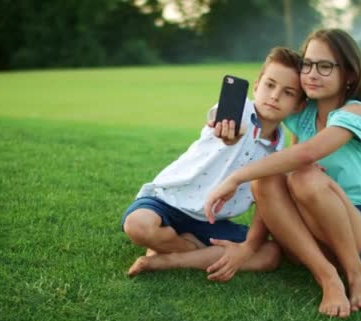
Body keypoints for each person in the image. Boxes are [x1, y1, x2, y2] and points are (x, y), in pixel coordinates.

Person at [204, 28, 361, 318]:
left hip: (355, 233)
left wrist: (235, 177)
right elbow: (257, 108)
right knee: (273, 175)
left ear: (350, 75)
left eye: (325, 66)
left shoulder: (357, 112)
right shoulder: (303, 114)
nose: (312, 73)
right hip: (304, 242)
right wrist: (221, 121)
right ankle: (327, 275)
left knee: (304, 174)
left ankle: (356, 273)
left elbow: (305, 154)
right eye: (307, 64)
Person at [121, 47, 306, 281]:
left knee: (270, 254)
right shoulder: (240, 111)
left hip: (210, 222)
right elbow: (221, 118)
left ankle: (167, 258)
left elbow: (266, 205)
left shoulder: (279, 154)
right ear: (257, 86)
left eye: (288, 92)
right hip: (168, 200)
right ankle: (195, 253)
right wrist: (230, 132)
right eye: (270, 85)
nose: (274, 96)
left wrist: (247, 247)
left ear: (298, 105)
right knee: (137, 225)